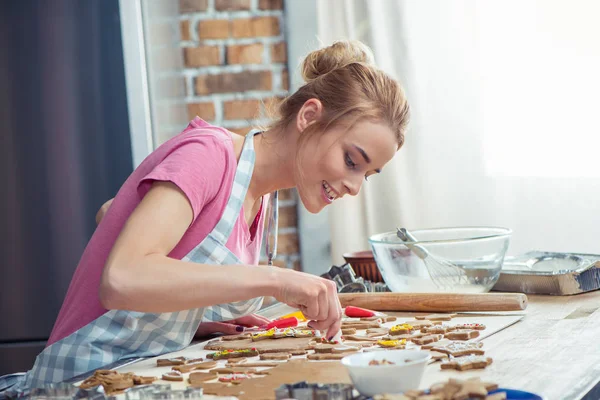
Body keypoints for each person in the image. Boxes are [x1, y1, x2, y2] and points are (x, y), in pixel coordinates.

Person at [15, 39, 410, 391]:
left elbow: (115, 217)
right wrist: (274, 280)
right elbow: (122, 278)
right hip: (80, 381)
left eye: (367, 174)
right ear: (308, 116)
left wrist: (190, 321)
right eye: (351, 161)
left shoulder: (262, 197)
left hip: (144, 376)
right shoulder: (209, 154)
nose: (355, 187)